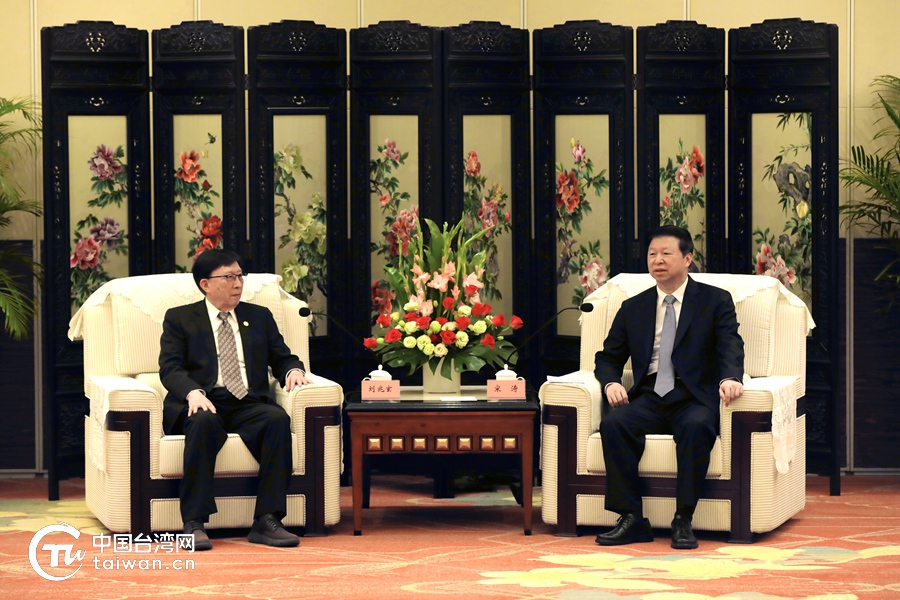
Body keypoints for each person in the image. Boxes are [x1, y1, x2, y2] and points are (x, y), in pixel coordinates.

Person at [594, 225, 744, 550]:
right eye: (652, 254)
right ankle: (631, 518)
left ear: (687, 258)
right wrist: (611, 383)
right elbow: (607, 357)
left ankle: (683, 519)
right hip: (649, 395)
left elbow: (730, 345)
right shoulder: (633, 307)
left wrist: (730, 377)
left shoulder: (714, 300)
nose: (657, 260)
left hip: (693, 396)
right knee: (614, 424)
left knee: (696, 426)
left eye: (666, 253)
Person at [160, 248, 311, 550]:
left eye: (240, 276)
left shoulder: (259, 316)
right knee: (202, 422)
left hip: (248, 401)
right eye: (229, 277)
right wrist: (192, 392)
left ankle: (267, 520)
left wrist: (293, 370)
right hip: (205, 399)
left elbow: (282, 357)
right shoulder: (180, 318)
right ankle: (194, 523)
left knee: (276, 420)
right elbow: (170, 368)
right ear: (205, 284)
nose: (238, 283)